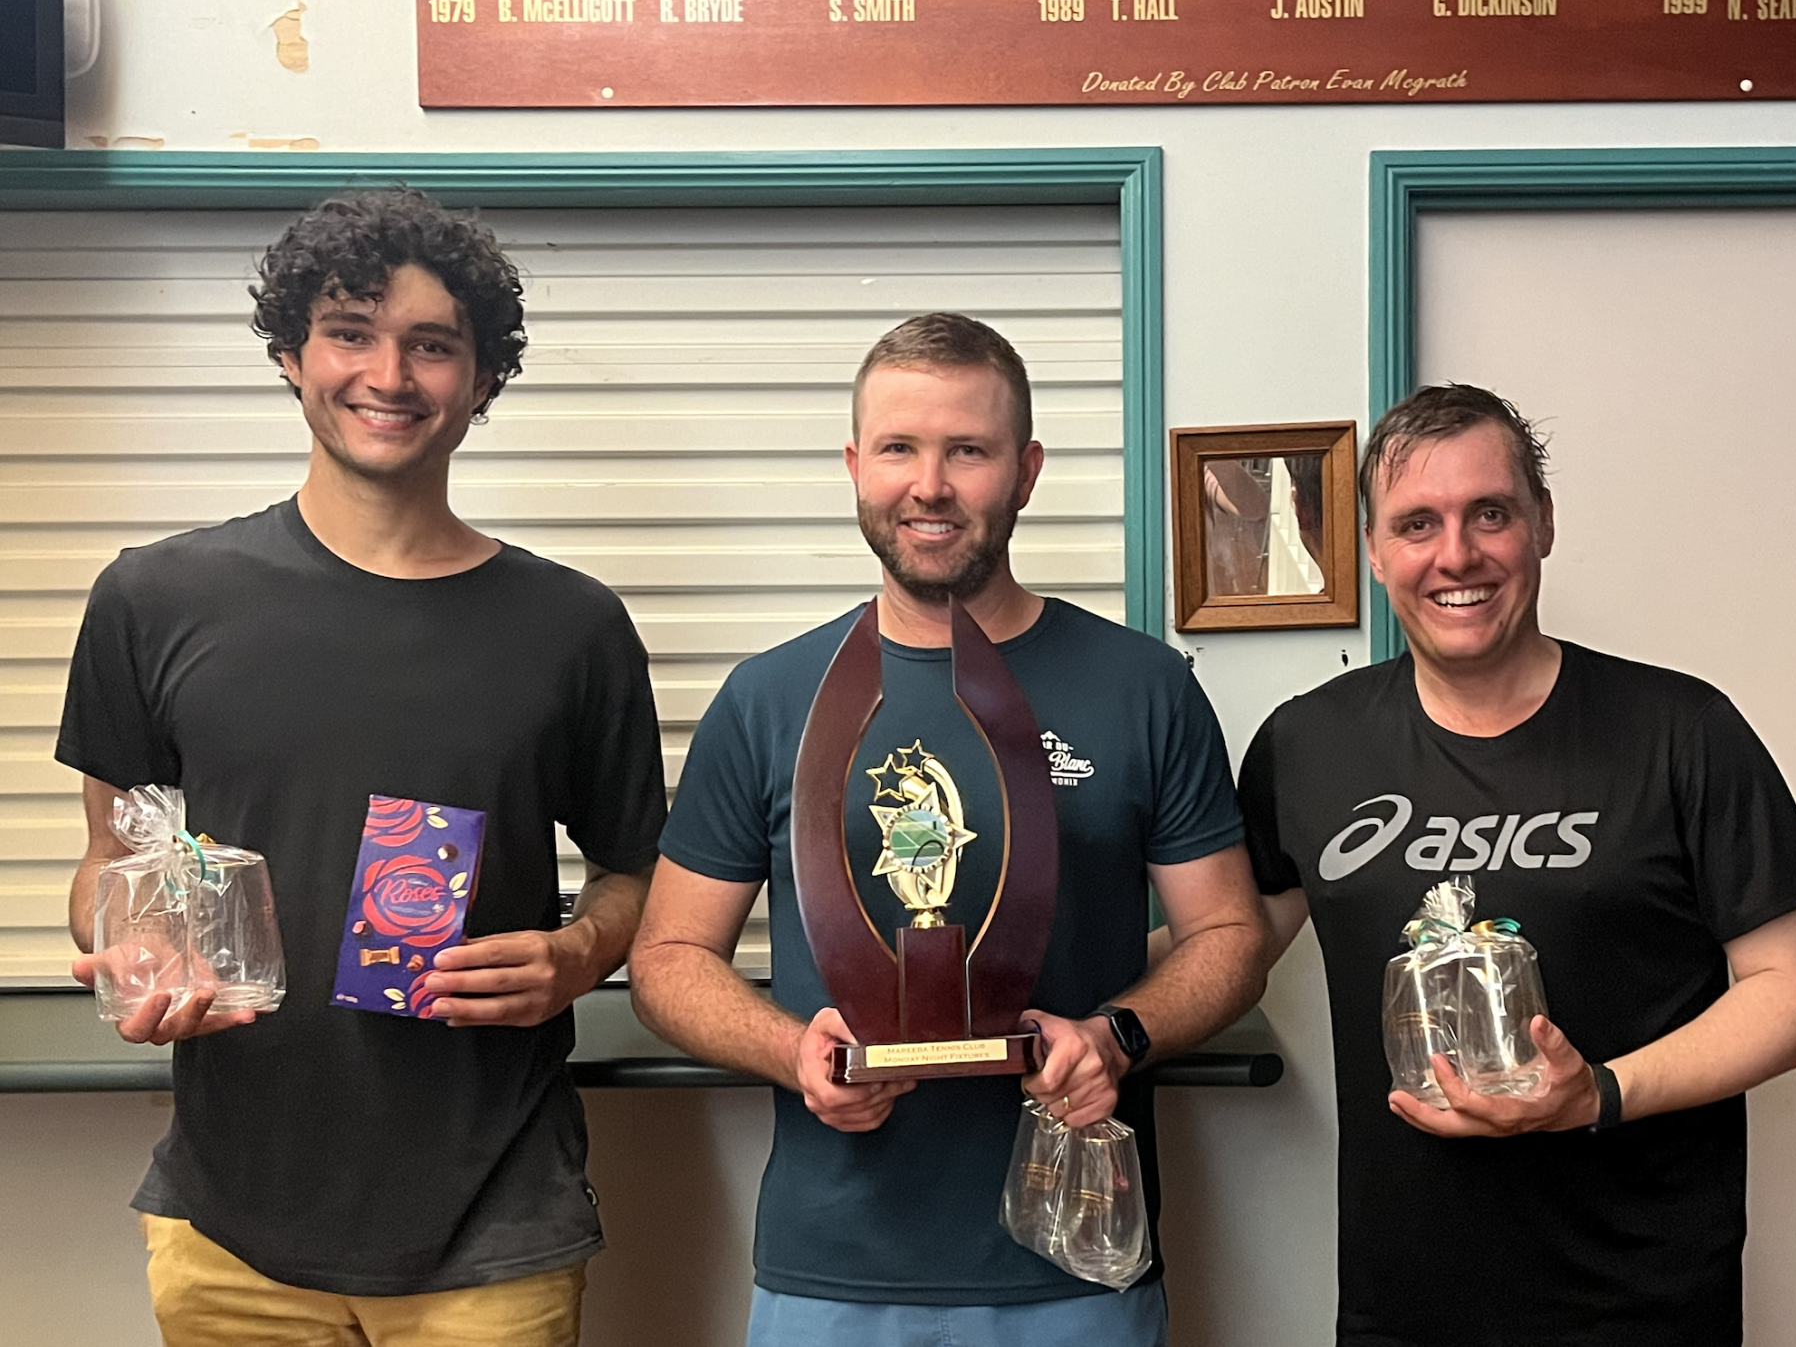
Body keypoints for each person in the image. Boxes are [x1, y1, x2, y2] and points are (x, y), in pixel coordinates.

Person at [59, 187, 668, 1346]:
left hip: (495, 1223)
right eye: (349, 332)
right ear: (292, 354)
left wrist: (577, 955)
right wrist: (125, 948)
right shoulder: (153, 599)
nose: (387, 374)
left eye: (431, 345)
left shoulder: (573, 627)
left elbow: (640, 874)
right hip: (228, 1226)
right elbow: (105, 860)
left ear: (480, 379)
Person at [631, 313, 1269, 1346]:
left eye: (966, 450)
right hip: (829, 1271)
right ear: (853, 465)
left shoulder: (1141, 688)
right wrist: (792, 1050)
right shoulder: (768, 699)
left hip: (1074, 1262)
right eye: (898, 448)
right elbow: (665, 958)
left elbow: (1229, 940)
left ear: (1023, 470)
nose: (929, 485)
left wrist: (1116, 1037)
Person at [1238, 384, 1796, 1347]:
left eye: (1491, 513)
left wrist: (1599, 1091)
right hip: (1405, 1307)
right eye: (1416, 523)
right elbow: (1229, 938)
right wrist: (1065, 1004)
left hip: (1641, 1305)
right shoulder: (1306, 745)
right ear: (1371, 549)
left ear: (1544, 524)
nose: (1456, 554)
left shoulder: (1681, 730)